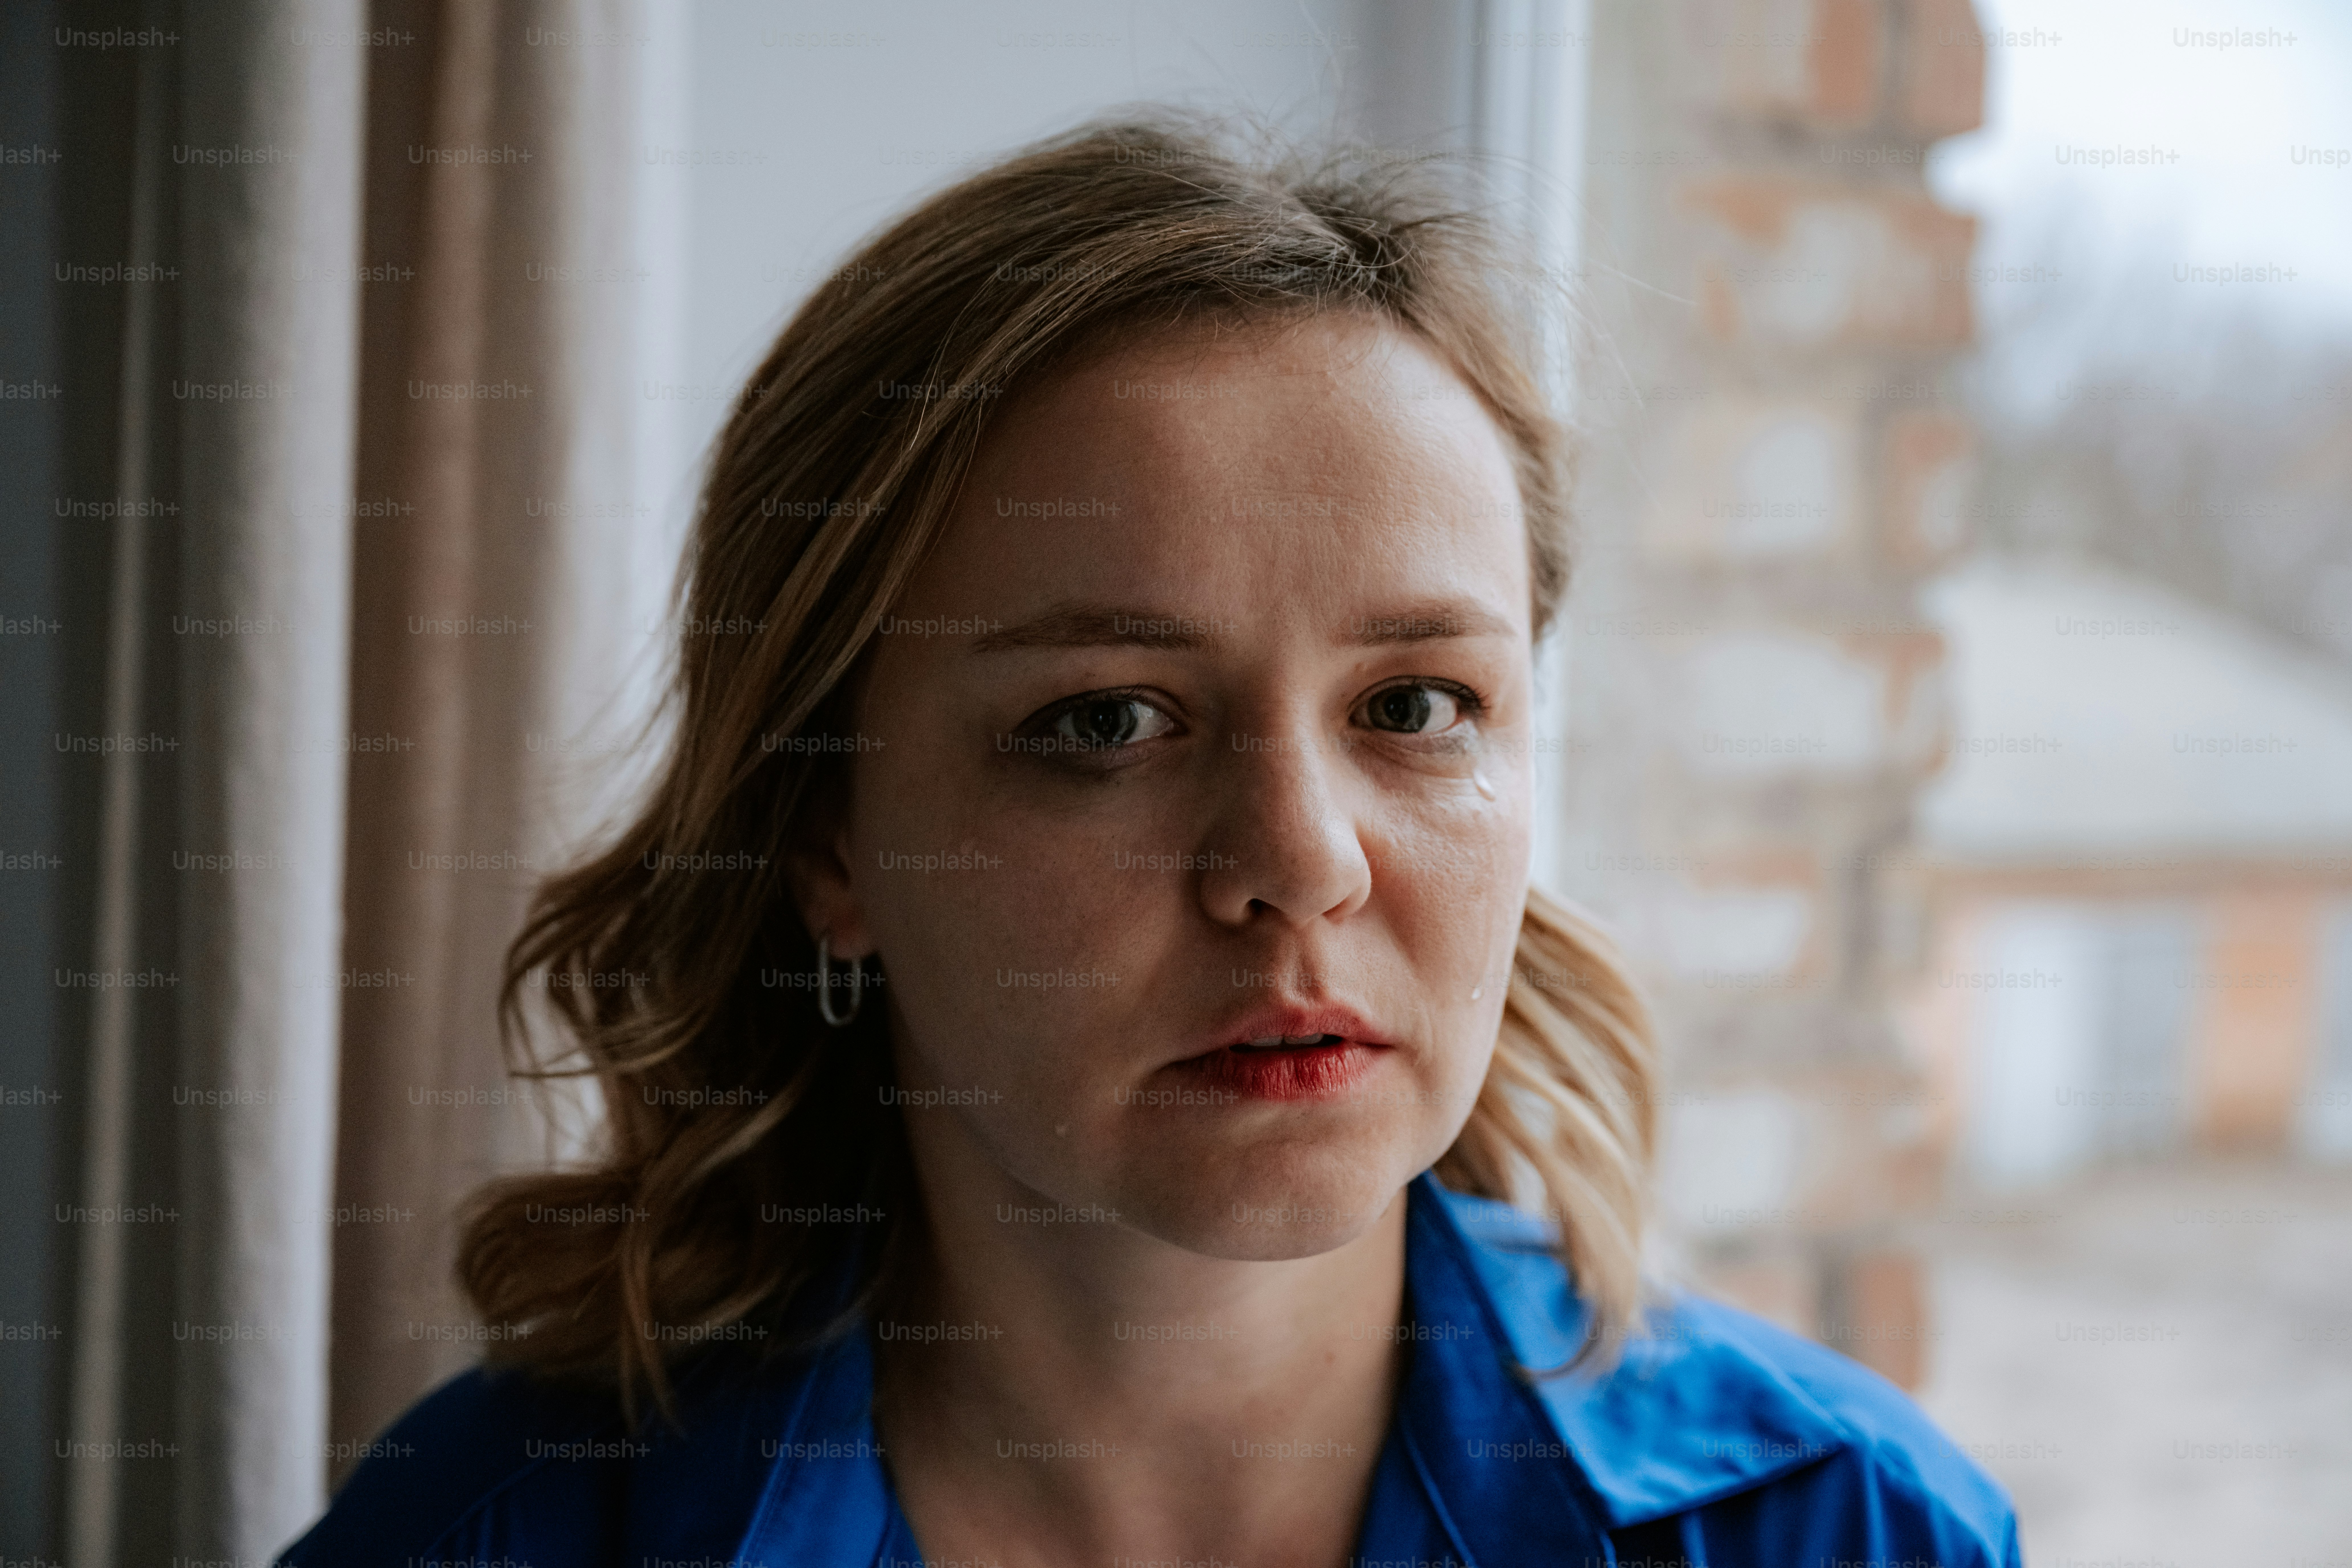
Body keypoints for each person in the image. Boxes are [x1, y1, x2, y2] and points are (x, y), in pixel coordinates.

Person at [282, 118, 2019, 1568]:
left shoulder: (1849, 1527)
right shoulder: (483, 1539)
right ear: (827, 841)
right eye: (1105, 721)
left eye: (1417, 705)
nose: (1300, 862)